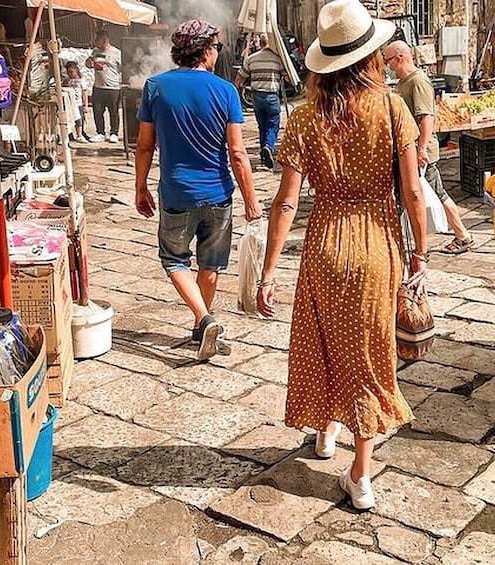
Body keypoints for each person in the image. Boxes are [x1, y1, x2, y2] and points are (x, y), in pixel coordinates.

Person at [255, 0, 425, 511]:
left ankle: (326, 432)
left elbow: (286, 201)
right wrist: (420, 253)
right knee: (370, 355)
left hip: (325, 241)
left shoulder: (304, 117)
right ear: (373, 55)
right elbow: (414, 192)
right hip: (377, 244)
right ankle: (361, 475)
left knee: (324, 341)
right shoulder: (393, 108)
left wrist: (267, 272)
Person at [135, 20, 262, 360]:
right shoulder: (226, 91)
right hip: (218, 193)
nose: (218, 53)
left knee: (174, 260)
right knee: (211, 264)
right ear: (206, 51)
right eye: (217, 48)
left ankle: (203, 322)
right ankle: (202, 323)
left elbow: (145, 146)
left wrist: (140, 188)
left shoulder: (155, 87)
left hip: (176, 193)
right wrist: (251, 200)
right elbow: (237, 152)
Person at [383, 40, 474, 255]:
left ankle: (463, 236)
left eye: (388, 61)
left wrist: (421, 148)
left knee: (438, 194)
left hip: (420, 151)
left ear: (400, 58)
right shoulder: (403, 82)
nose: (387, 66)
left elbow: (426, 117)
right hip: (410, 150)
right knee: (422, 193)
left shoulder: (418, 82)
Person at [235, 34, 285, 171]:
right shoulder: (277, 59)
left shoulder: (251, 59)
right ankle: (268, 147)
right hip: (272, 96)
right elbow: (286, 77)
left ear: (260, 43)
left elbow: (239, 79)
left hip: (257, 97)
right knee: (273, 125)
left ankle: (264, 156)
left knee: (262, 126)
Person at [87, 30, 122, 143]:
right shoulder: (95, 51)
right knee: (97, 111)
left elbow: (122, 68)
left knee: (113, 111)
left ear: (105, 39)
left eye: (98, 39)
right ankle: (100, 133)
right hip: (98, 86)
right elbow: (89, 63)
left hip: (112, 87)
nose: (96, 42)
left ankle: (114, 133)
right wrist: (89, 62)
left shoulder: (116, 52)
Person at [64, 61, 89, 143]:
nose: (70, 74)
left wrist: (86, 106)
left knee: (79, 119)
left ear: (76, 70)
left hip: (78, 103)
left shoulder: (81, 81)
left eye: (72, 72)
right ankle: (69, 134)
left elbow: (84, 93)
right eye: (68, 72)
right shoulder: (66, 81)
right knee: (69, 119)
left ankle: (79, 134)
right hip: (69, 104)